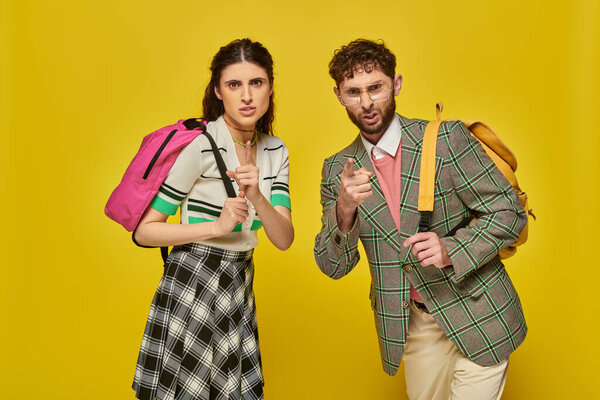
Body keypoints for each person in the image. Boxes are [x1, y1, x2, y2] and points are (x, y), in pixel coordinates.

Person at [314, 39, 527, 400]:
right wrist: (344, 209)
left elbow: (509, 213)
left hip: (478, 308)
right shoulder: (337, 170)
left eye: (375, 88)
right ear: (339, 95)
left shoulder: (444, 139)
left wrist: (451, 250)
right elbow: (332, 266)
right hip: (413, 326)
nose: (366, 102)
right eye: (353, 92)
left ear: (395, 85)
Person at [132, 38, 293, 400]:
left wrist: (256, 198)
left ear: (270, 87)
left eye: (256, 82)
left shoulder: (275, 150)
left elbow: (283, 239)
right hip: (193, 279)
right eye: (234, 84)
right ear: (218, 91)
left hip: (239, 280)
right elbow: (144, 231)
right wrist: (217, 227)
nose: (247, 96)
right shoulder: (200, 144)